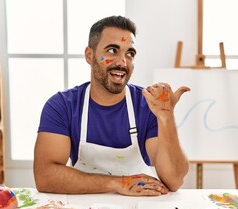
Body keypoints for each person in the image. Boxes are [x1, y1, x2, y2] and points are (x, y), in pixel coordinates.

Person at [34, 15, 190, 196]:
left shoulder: (148, 105)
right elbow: (45, 177)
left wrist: (166, 116)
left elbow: (174, 180)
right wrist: (118, 183)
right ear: (89, 55)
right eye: (112, 50)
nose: (122, 62)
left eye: (130, 54)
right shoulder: (61, 106)